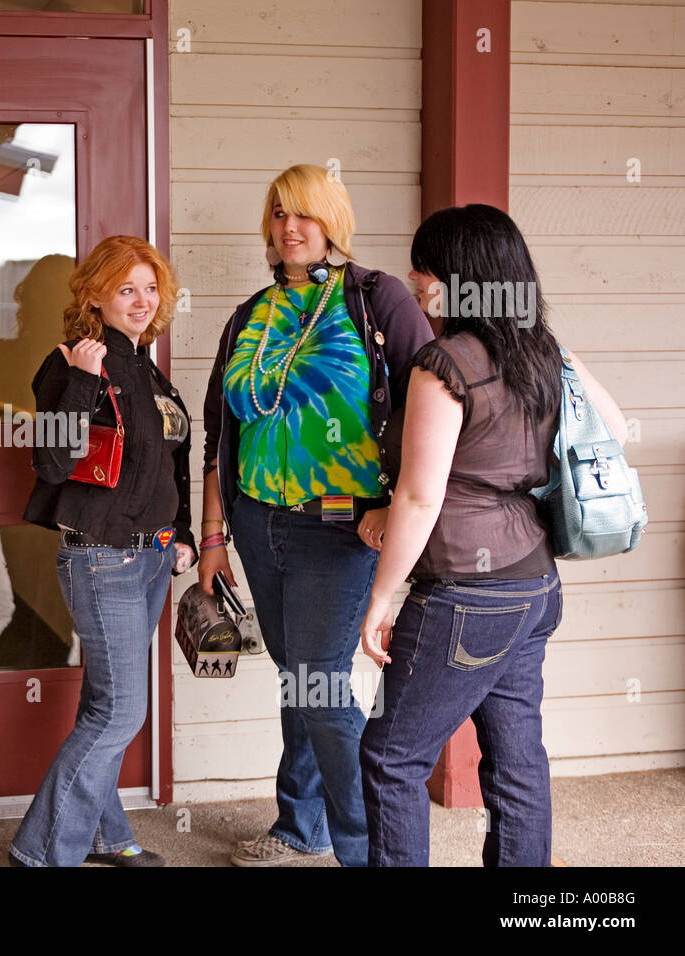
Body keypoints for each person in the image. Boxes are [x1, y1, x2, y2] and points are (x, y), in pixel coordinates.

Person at [357, 204, 626, 867]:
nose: (415, 279)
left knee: (391, 758)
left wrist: (381, 600)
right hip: (535, 586)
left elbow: (422, 496)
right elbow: (614, 433)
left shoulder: (445, 365)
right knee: (516, 758)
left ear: (459, 274)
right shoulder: (546, 352)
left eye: (425, 265)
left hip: (464, 597)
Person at [198, 164, 431, 867]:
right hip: (258, 524)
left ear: (333, 221)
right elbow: (219, 436)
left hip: (340, 528)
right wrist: (213, 533)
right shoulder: (251, 316)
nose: (288, 227)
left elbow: (432, 407)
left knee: (321, 683)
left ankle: (372, 849)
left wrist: (397, 504)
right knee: (297, 674)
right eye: (277, 214)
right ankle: (301, 824)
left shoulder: (376, 299)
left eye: (303, 213)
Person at [9, 235, 196, 867]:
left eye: (150, 288)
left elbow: (176, 464)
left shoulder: (148, 366)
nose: (142, 301)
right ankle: (39, 853)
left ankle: (104, 836)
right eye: (126, 289)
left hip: (152, 557)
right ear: (95, 297)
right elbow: (52, 460)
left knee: (103, 703)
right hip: (101, 556)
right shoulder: (67, 365)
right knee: (120, 713)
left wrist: (185, 536)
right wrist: (85, 383)